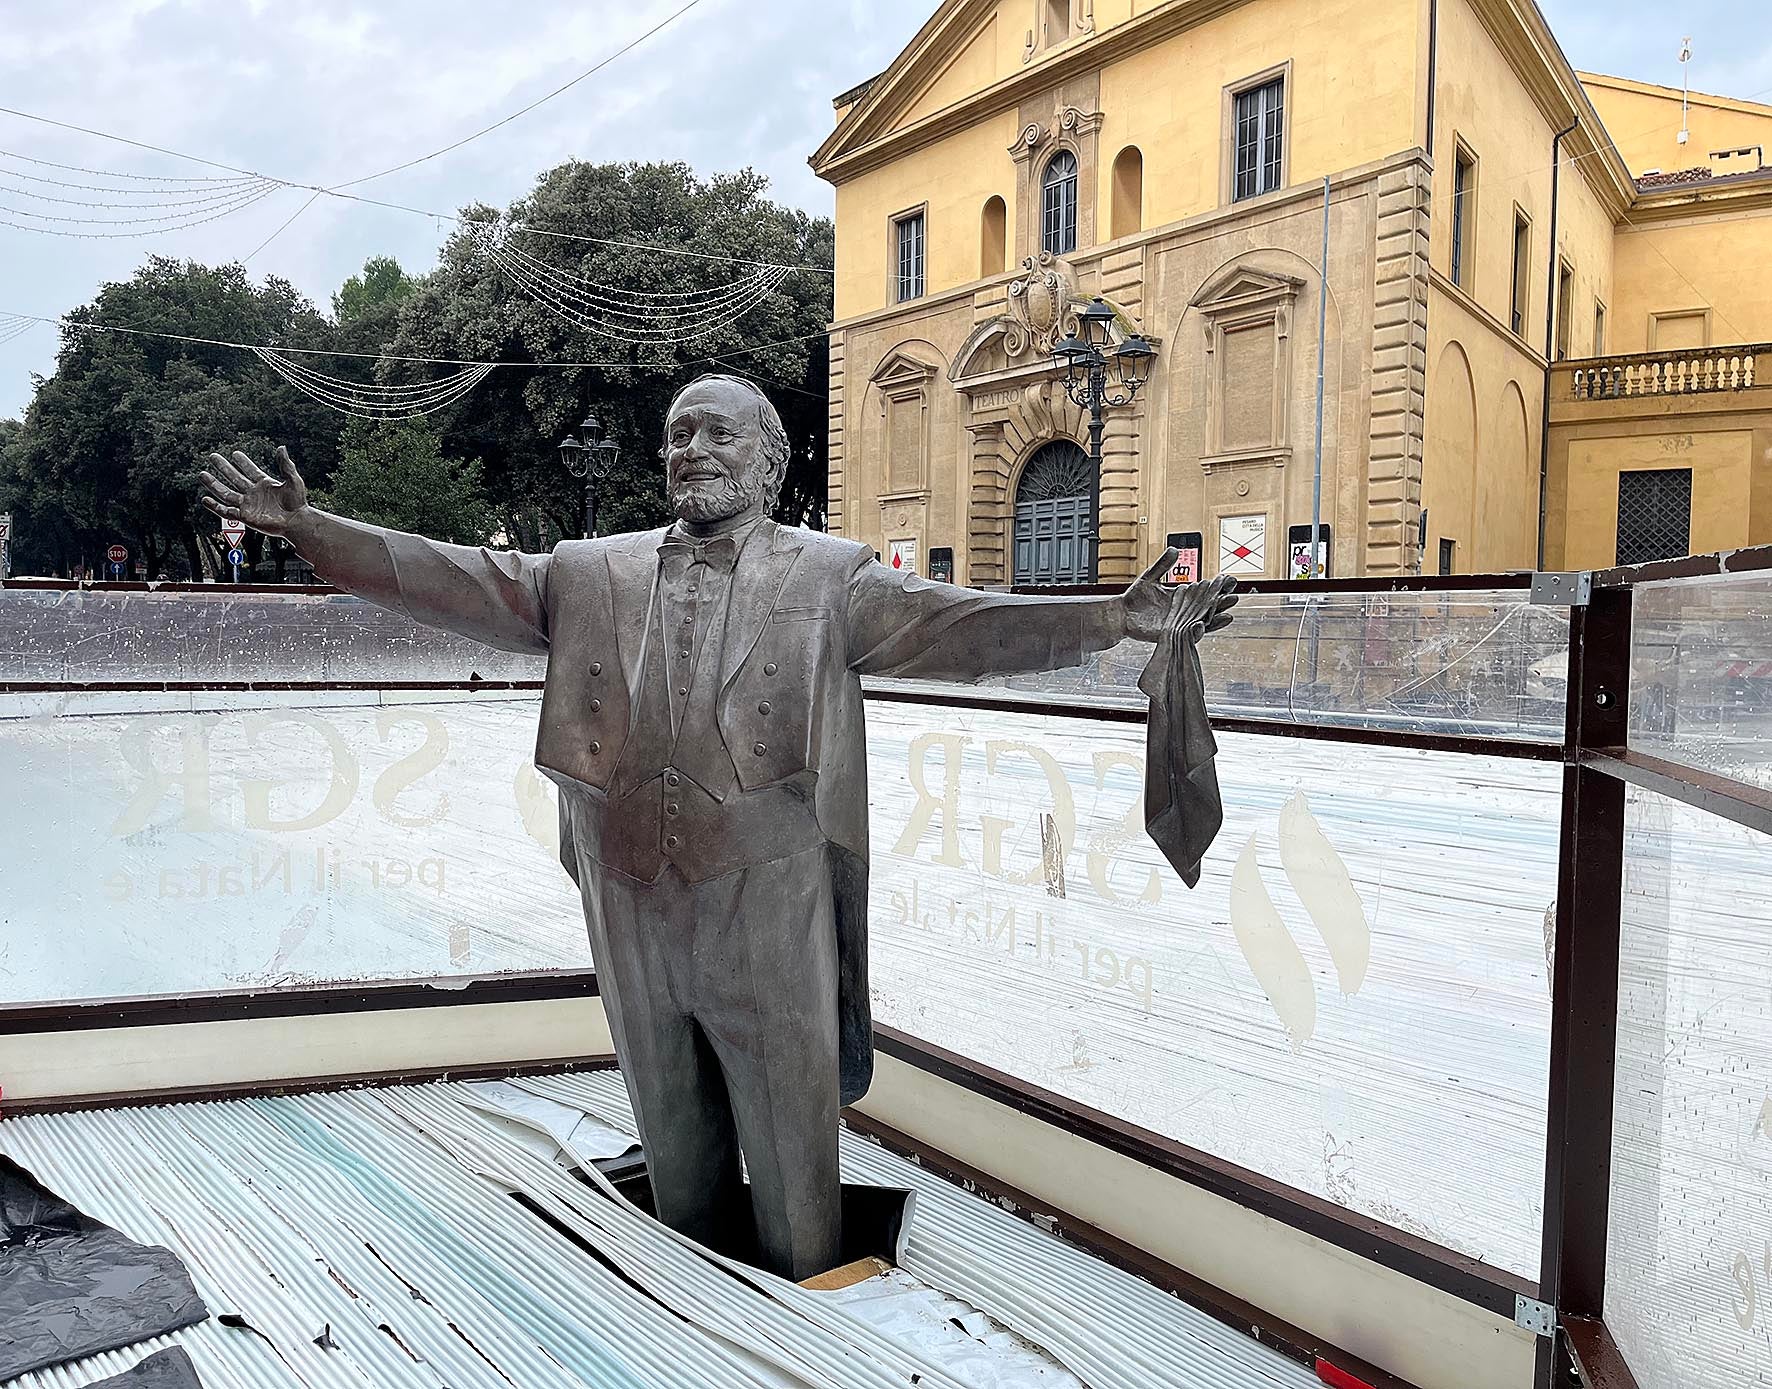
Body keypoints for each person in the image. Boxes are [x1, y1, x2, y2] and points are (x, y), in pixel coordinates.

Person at [199, 373, 1236, 1280]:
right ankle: (684, 1286)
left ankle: (805, 1296)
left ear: (771, 461)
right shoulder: (585, 570)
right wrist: (313, 529)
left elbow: (960, 627)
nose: (689, 450)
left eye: (716, 433)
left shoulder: (831, 577)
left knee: (789, 1132)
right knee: (669, 1122)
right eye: (677, 436)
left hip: (766, 887)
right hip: (624, 890)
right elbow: (451, 578)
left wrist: (1112, 619)